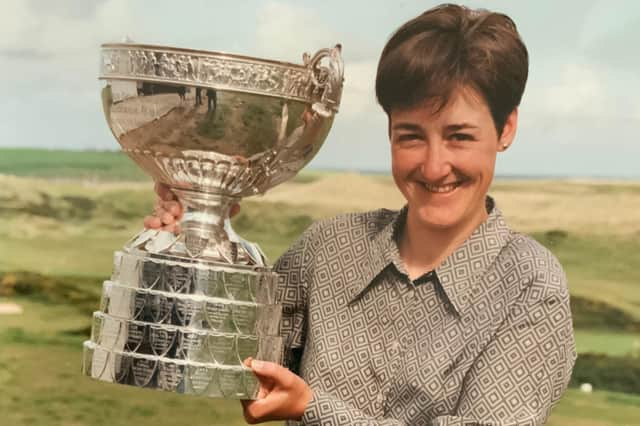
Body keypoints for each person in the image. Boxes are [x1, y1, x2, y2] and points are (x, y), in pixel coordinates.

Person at [145, 4, 576, 425]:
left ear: (506, 129)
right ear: (389, 131)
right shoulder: (329, 247)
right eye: (411, 137)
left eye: (459, 137)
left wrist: (312, 410)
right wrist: (195, 242)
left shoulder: (530, 284)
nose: (433, 165)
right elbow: (222, 355)